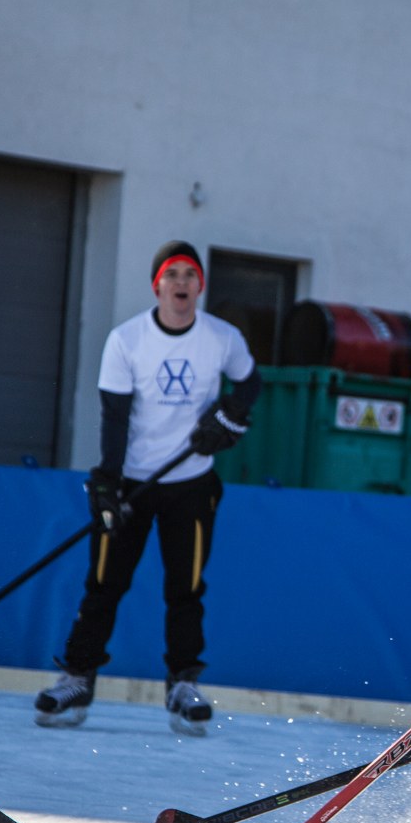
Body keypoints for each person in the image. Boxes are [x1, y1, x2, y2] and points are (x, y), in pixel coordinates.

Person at [34, 241, 261, 736]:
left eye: (190, 274)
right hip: (132, 482)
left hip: (191, 483)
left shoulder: (222, 338)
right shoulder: (127, 340)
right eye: (171, 274)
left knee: (186, 588)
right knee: (104, 584)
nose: (181, 282)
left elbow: (249, 384)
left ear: (200, 286)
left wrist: (228, 419)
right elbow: (114, 418)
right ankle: (77, 678)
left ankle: (183, 685)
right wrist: (107, 481)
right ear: (157, 286)